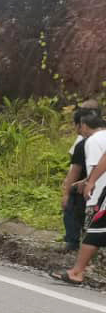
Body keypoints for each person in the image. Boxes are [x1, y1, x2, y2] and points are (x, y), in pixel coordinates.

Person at [54, 111, 106, 284]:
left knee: (94, 231)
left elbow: (101, 161)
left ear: (83, 126)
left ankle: (77, 272)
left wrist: (90, 182)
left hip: (100, 194)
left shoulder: (91, 141)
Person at [61, 107, 98, 251]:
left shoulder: (83, 144)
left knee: (71, 206)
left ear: (81, 125)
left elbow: (74, 171)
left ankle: (72, 242)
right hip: (94, 185)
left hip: (85, 186)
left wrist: (66, 193)